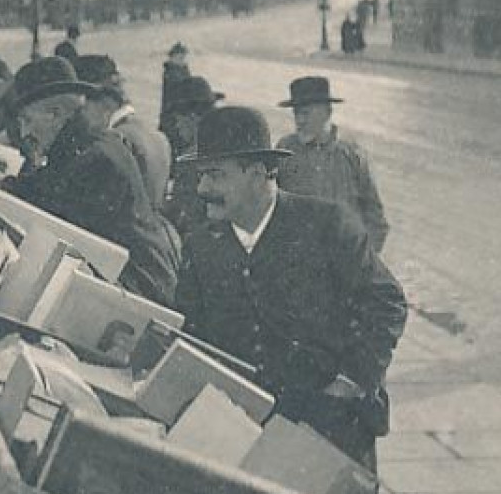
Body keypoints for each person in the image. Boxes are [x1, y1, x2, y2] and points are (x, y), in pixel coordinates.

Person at [174, 107, 407, 472]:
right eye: (202, 177)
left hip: (332, 431)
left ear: (256, 174)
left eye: (215, 176)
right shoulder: (201, 246)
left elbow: (387, 303)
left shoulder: (328, 225)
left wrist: (348, 384)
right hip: (243, 435)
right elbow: (191, 334)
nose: (203, 190)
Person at [2, 56, 179, 306]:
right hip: (132, 288)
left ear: (56, 114)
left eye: (28, 120)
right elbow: (35, 189)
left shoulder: (95, 161)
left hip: (142, 298)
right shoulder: (89, 146)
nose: (23, 133)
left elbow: (43, 205)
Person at [275, 76, 391, 255]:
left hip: (345, 257)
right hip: (300, 259)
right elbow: (270, 206)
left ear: (327, 113)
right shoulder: (285, 151)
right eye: (296, 114)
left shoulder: (351, 154)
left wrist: (364, 260)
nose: (299, 121)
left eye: (305, 113)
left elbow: (376, 218)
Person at [74, 54, 172, 211]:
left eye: (81, 109)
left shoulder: (114, 143)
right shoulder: (158, 136)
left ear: (103, 102)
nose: (81, 120)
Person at [159, 74, 223, 236]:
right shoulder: (226, 146)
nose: (177, 127)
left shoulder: (191, 159)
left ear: (192, 118)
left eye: (178, 120)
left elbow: (184, 218)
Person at [159, 42, 192, 131]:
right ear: (173, 56)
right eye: (180, 57)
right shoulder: (170, 72)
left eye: (183, 57)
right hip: (172, 112)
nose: (182, 60)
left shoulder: (182, 71)